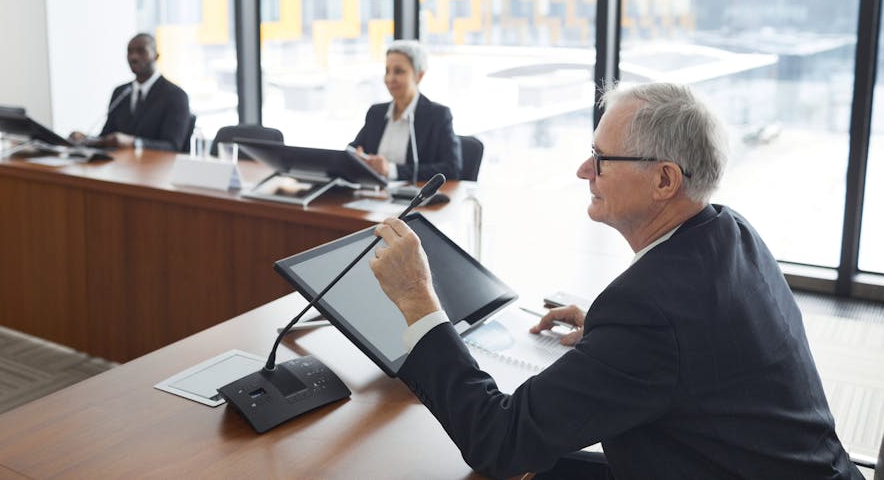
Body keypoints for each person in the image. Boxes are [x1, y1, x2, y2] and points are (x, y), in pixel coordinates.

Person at [369, 82, 860, 480]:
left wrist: (416, 299)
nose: (584, 170)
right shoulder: (729, 230)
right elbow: (703, 342)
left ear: (665, 181)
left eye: (601, 159)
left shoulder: (649, 312)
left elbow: (499, 442)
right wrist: (609, 338)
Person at [350, 40, 462, 181]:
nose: (390, 78)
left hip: (412, 199)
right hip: (373, 194)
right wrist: (356, 157)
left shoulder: (438, 115)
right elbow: (353, 150)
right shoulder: (376, 113)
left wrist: (391, 170)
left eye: (399, 71)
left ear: (419, 75)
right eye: (387, 71)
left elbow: (451, 169)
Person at [70, 33, 191, 151]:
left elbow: (173, 146)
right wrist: (86, 138)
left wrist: (134, 143)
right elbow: (106, 136)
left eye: (141, 51)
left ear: (156, 56)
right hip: (119, 168)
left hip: (155, 169)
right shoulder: (120, 92)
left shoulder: (176, 95)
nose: (133, 57)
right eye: (130, 51)